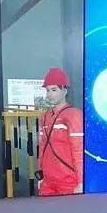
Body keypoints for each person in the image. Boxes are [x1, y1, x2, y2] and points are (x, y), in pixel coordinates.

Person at [36, 68, 84, 196]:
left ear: (64, 90)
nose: (49, 94)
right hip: (47, 182)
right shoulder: (44, 117)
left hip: (68, 182)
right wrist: (40, 175)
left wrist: (81, 182)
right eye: (47, 90)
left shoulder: (74, 115)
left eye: (54, 90)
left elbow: (79, 150)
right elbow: (42, 148)